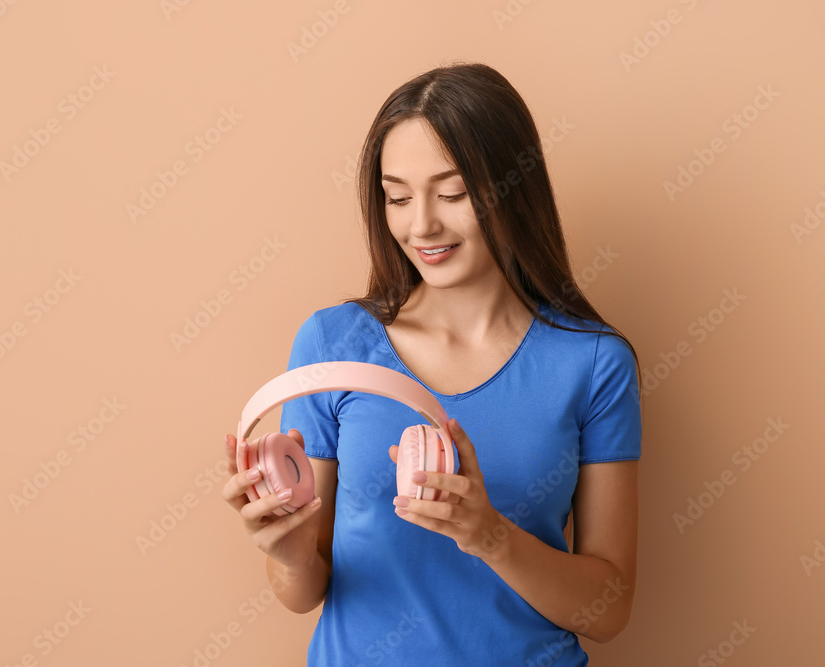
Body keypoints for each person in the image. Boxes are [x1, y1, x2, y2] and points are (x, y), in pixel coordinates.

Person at [221, 61, 643, 666]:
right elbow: (304, 589)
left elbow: (609, 610)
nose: (421, 225)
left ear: (512, 190)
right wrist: (288, 554)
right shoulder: (333, 344)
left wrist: (488, 535)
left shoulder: (594, 362)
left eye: (452, 193)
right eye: (397, 197)